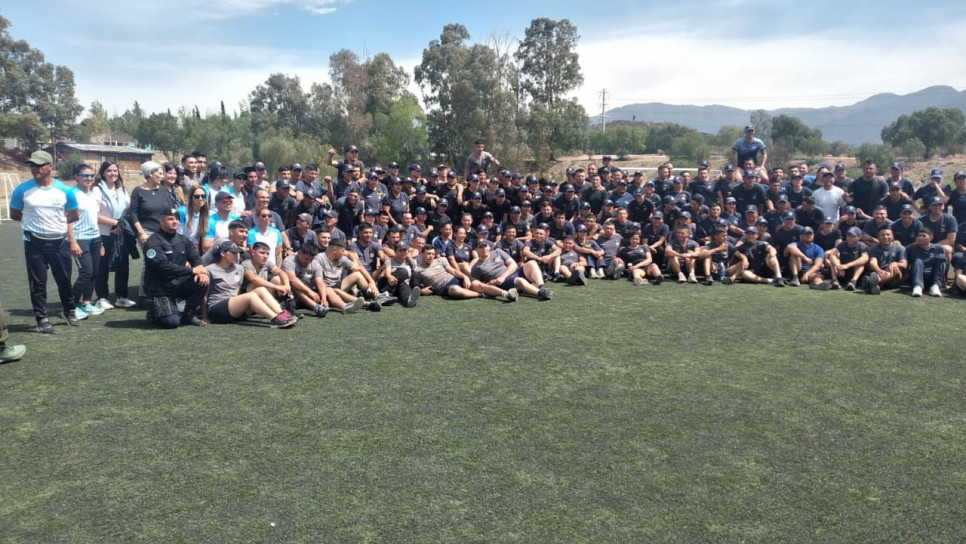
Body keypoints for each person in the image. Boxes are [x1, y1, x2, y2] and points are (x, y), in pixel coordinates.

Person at [10, 150, 80, 333]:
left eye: (40, 165)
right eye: (33, 165)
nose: (35, 169)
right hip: (34, 243)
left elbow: (73, 215)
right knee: (38, 283)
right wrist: (34, 223)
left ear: (51, 166)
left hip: (60, 242)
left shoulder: (65, 190)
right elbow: (15, 214)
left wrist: (55, 225)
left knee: (64, 280)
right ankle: (42, 318)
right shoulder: (22, 190)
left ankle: (70, 311)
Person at [142, 208, 209, 327]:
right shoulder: (153, 242)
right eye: (170, 219)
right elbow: (163, 266)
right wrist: (192, 270)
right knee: (171, 323)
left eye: (177, 219)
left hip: (178, 283)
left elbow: (196, 258)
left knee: (203, 281)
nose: (175, 222)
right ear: (161, 221)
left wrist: (201, 271)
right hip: (160, 287)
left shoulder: (183, 239)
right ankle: (153, 310)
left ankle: (189, 314)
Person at [205, 241, 297, 328]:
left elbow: (237, 290)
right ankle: (274, 319)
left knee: (261, 290)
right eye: (233, 253)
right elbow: (205, 296)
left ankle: (282, 314)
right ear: (223, 253)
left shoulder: (239, 268)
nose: (236, 255)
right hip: (217, 309)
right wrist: (205, 317)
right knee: (251, 295)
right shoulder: (209, 269)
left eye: (237, 253)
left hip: (234, 307)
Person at [93, 160, 135, 309]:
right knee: (102, 266)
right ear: (103, 173)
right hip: (103, 233)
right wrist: (115, 223)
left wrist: (122, 225)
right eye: (109, 171)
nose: (113, 174)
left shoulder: (122, 190)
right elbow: (95, 215)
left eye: (115, 171)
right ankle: (102, 298)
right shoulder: (97, 190)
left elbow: (129, 211)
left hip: (121, 233)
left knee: (123, 266)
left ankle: (121, 297)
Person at [67, 163, 104, 319]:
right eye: (85, 175)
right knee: (86, 272)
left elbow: (94, 219)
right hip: (79, 238)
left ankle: (86, 303)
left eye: (91, 175)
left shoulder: (93, 194)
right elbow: (67, 220)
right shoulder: (72, 194)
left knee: (94, 272)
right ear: (76, 177)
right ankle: (71, 306)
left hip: (95, 238)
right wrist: (72, 241)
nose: (89, 178)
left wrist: (100, 241)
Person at [906, 228, 947, 297]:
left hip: (933, 276)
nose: (920, 238)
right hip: (918, 276)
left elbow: (943, 265)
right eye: (919, 236)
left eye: (924, 236)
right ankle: (917, 287)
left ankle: (935, 286)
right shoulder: (911, 249)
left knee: (941, 258)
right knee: (918, 260)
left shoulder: (939, 248)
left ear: (931, 237)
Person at [865, 226, 907, 295]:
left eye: (888, 235)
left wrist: (895, 263)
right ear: (878, 237)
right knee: (876, 274)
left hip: (895, 279)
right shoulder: (873, 249)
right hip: (880, 273)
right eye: (882, 235)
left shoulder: (900, 248)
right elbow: (873, 262)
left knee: (895, 268)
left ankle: (874, 281)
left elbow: (904, 264)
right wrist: (878, 270)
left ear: (893, 236)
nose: (885, 237)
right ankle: (875, 286)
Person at [178, 185, 210, 253]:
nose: (200, 198)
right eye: (197, 196)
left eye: (203, 196)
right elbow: (178, 236)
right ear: (191, 198)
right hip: (179, 247)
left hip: (191, 248)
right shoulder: (182, 212)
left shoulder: (203, 214)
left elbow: (196, 240)